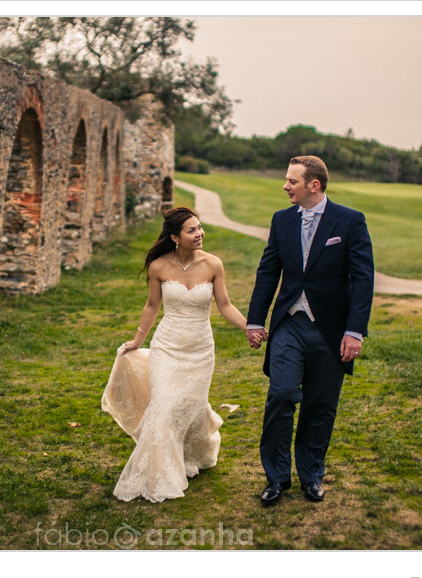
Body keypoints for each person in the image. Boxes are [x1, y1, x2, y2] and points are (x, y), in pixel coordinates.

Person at [246, 155, 374, 505]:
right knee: (282, 393)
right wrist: (256, 319)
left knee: (321, 405)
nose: (285, 186)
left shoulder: (349, 222)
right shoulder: (282, 220)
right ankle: (276, 477)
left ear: (313, 185)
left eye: (292, 181)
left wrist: (355, 331)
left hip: (331, 330)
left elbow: (363, 280)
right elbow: (268, 271)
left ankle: (311, 475)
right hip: (289, 323)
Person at [101, 207, 249, 502]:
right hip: (167, 347)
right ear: (175, 237)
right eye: (192, 230)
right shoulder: (158, 267)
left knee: (190, 407)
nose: (200, 234)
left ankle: (189, 455)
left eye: (200, 227)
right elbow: (152, 306)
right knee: (165, 407)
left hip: (200, 349)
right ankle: (162, 474)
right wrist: (136, 340)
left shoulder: (213, 264)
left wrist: (252, 328)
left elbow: (225, 306)